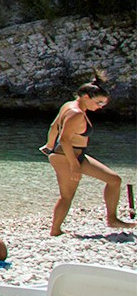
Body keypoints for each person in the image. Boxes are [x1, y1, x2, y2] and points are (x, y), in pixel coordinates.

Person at [42, 81, 134, 235]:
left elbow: (54, 126)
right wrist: (74, 165)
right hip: (67, 157)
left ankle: (112, 219)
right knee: (67, 196)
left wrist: (48, 145)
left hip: (76, 155)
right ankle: (55, 231)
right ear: (85, 97)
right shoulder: (76, 113)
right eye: (99, 102)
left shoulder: (69, 105)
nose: (101, 106)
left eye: (104, 103)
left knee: (114, 180)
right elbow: (64, 139)